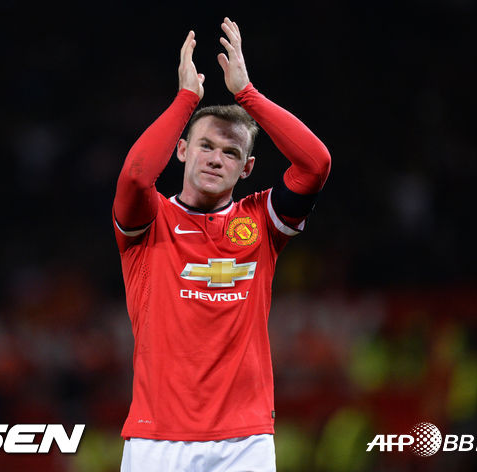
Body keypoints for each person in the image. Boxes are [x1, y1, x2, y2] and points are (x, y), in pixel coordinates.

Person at [113, 17, 330, 472]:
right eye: (206, 146)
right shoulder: (151, 219)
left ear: (246, 168)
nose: (216, 159)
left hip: (245, 440)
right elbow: (135, 176)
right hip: (157, 437)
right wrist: (185, 100)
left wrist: (247, 93)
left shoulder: (261, 220)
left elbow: (316, 164)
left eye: (231, 152)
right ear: (181, 150)